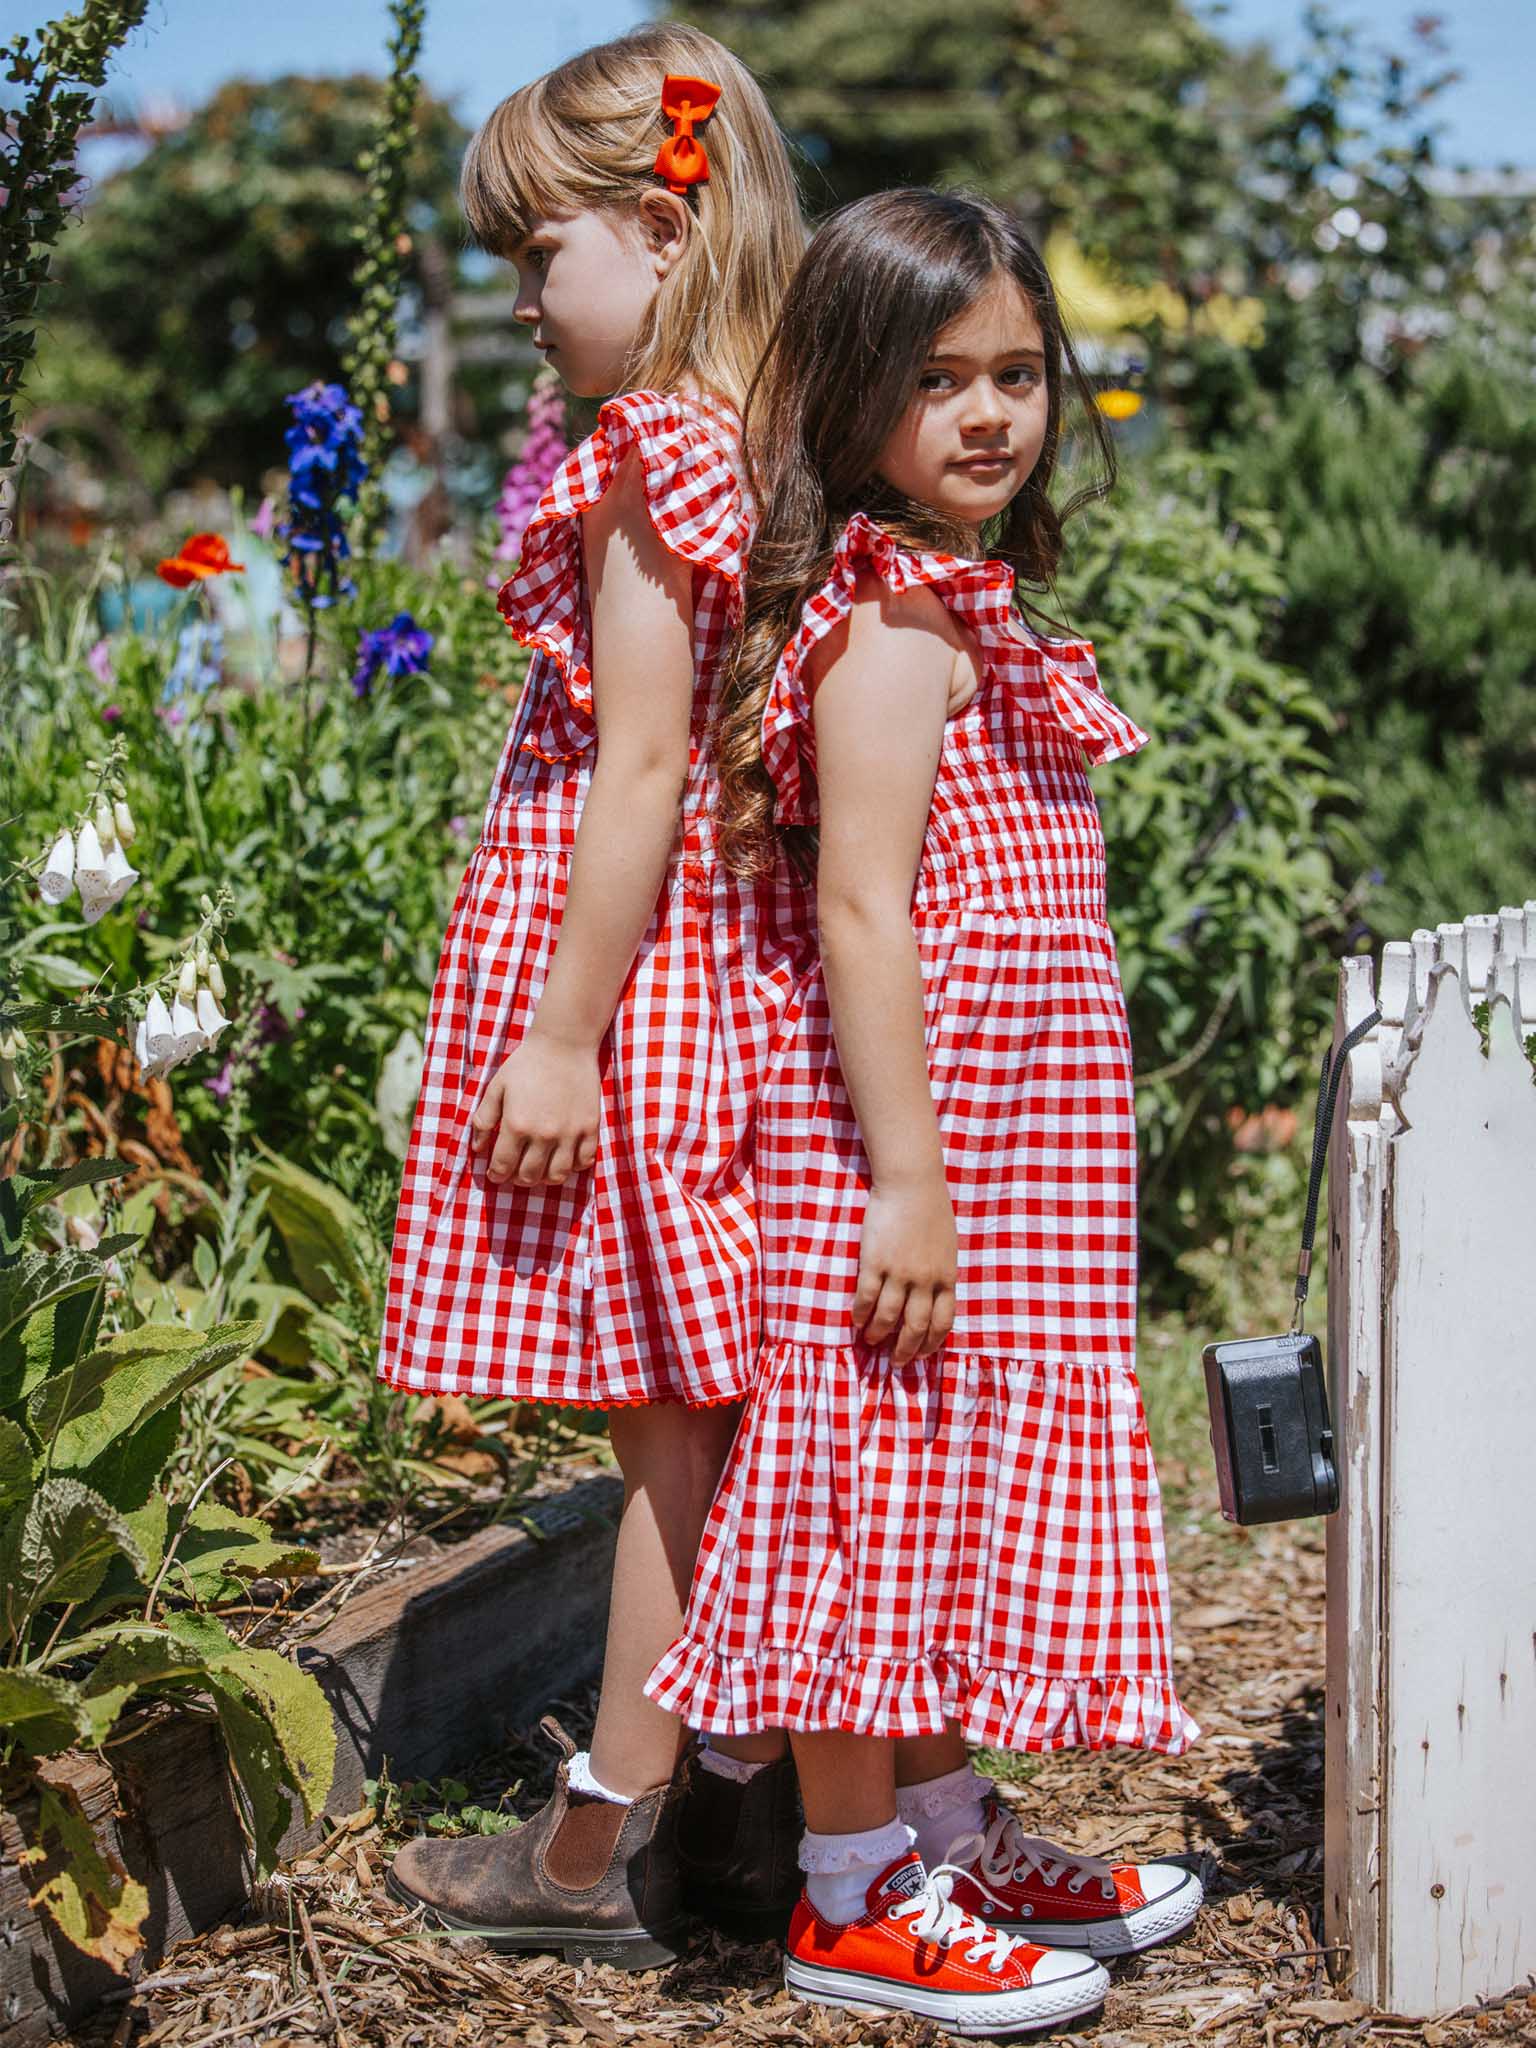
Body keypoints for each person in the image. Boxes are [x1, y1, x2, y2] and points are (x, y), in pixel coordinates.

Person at [645, 188, 1203, 2034]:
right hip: (909, 1151)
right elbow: (862, 906)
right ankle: (853, 1890)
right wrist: (907, 1182)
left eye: (1019, 373)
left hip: (997, 1148)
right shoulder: (890, 627)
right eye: (937, 376)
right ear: (848, 394)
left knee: (953, 1491)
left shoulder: (969, 605)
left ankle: (947, 1832)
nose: (989, 412)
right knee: (874, 1500)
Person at [379, 24, 807, 1966]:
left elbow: (640, 766)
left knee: (666, 1431)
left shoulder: (649, 452)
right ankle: (733, 1810)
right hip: (682, 977)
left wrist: (556, 1033)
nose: (525, 298)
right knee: (694, 1423)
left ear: (654, 228)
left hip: (625, 996)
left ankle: (599, 1847)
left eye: (539, 255)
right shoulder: (738, 439)